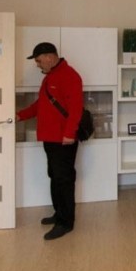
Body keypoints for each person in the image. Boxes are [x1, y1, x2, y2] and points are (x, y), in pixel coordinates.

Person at [17, 42, 84, 241]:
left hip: (63, 140)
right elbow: (41, 105)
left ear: (49, 57)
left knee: (64, 180)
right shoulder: (50, 77)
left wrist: (69, 134)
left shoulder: (70, 75)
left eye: (39, 61)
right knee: (55, 177)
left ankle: (66, 222)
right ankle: (59, 213)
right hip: (50, 138)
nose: (38, 65)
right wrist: (21, 115)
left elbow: (76, 108)